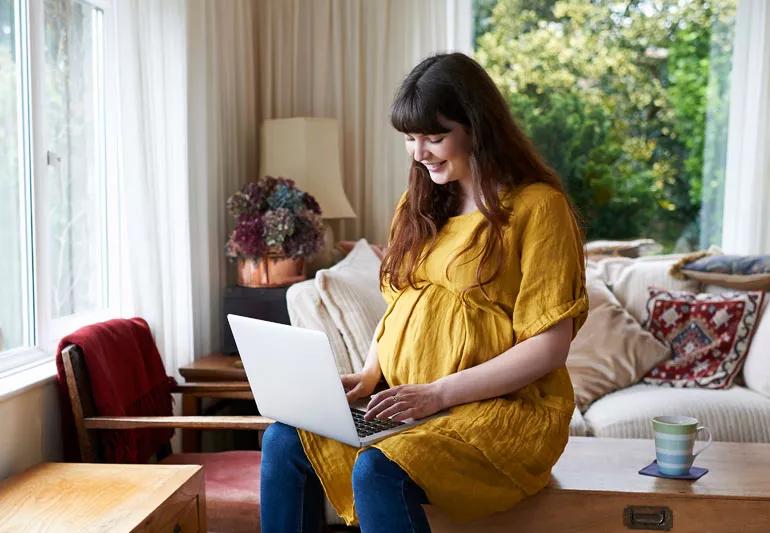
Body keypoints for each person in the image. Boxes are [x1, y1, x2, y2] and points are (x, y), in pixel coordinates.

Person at [260, 52, 589, 533]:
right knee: (284, 439)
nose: (420, 153)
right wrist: (372, 374)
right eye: (410, 139)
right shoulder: (419, 205)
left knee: (379, 468)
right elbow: (402, 306)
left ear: (479, 128)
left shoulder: (539, 208)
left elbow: (548, 346)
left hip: (501, 414)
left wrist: (438, 394)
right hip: (411, 407)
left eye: (435, 137)